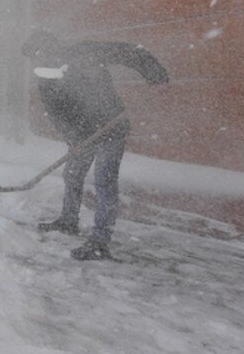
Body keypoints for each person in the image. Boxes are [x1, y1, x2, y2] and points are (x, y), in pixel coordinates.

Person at [21, 30, 169, 260]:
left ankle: (100, 241)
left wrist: (151, 70)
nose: (37, 61)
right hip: (82, 135)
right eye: (34, 57)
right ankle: (69, 221)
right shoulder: (45, 78)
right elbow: (57, 113)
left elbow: (126, 52)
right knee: (72, 174)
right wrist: (73, 138)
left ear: (49, 47)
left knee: (104, 181)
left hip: (110, 127)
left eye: (38, 54)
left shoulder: (84, 52)